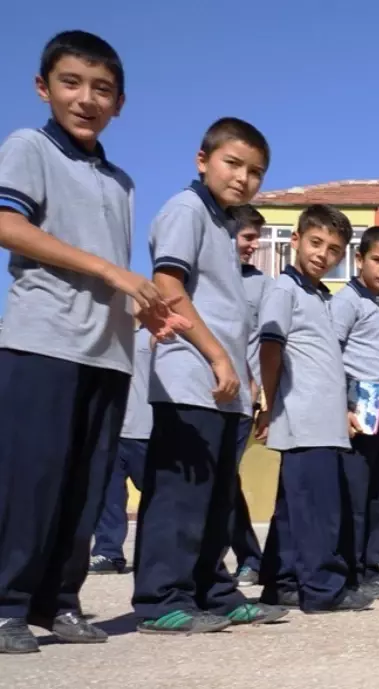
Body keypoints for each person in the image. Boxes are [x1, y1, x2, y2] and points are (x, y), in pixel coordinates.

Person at [0, 31, 187, 654]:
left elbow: (117, 265)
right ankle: (7, 604)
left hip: (107, 352)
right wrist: (111, 272)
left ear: (120, 102)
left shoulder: (121, 181)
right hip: (43, 341)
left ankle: (59, 601)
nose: (86, 99)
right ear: (43, 87)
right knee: (32, 479)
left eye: (101, 89)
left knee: (86, 485)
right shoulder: (29, 147)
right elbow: (7, 224)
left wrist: (141, 308)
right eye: (71, 83)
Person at [133, 117, 285, 634]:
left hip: (226, 388)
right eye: (233, 164)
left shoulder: (223, 225)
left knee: (218, 495)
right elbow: (168, 287)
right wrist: (219, 358)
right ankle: (160, 599)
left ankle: (212, 590)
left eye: (256, 172)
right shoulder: (186, 210)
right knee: (180, 491)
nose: (243, 178)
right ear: (203, 160)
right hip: (189, 378)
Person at [257, 204, 370, 614]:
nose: (323, 254)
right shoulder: (284, 290)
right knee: (318, 510)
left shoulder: (319, 296)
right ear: (295, 240)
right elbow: (271, 347)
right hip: (302, 418)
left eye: (334, 249)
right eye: (316, 243)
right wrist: (267, 405)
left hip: (324, 420)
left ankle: (281, 582)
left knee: (293, 507)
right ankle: (323, 589)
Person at [330, 226, 379, 601]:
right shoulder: (347, 300)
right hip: (358, 406)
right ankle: (350, 569)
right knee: (356, 493)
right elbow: (330, 352)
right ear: (359, 259)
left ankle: (373, 567)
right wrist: (343, 406)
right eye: (378, 260)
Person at [90, 327, 153, 575]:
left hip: (146, 430)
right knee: (108, 497)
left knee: (159, 497)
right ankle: (108, 552)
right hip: (110, 431)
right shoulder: (107, 335)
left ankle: (157, 555)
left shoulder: (155, 334)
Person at [229, 204, 267, 587]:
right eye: (249, 238)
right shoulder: (202, 277)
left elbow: (260, 343)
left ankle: (248, 557)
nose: (254, 246)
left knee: (224, 480)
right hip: (192, 392)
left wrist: (259, 392)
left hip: (239, 398)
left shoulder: (260, 285)